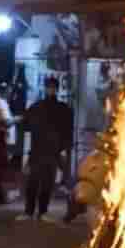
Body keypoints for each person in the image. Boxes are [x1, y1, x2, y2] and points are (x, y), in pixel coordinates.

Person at [18, 77, 73, 221]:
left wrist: (63, 149)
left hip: (51, 152)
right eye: (49, 87)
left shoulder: (60, 109)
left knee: (46, 183)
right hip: (39, 151)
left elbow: (67, 132)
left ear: (56, 89)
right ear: (45, 88)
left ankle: (41, 212)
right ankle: (30, 212)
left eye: (53, 87)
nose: (51, 90)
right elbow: (26, 125)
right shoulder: (39, 108)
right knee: (33, 182)